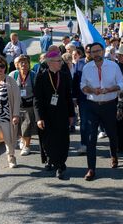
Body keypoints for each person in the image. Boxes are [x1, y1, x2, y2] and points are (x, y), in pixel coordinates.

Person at [80, 42, 123, 181]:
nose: (96, 54)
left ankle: (114, 155)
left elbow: (122, 84)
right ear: (90, 53)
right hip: (92, 106)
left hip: (109, 105)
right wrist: (92, 90)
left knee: (112, 134)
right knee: (90, 138)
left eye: (98, 51)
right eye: (93, 52)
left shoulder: (113, 66)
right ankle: (91, 169)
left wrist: (109, 89)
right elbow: (82, 86)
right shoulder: (87, 67)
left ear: (103, 51)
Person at [33, 51, 75, 179]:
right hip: (47, 115)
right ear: (50, 63)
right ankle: (53, 160)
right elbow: (37, 99)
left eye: (61, 61)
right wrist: (39, 118)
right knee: (49, 142)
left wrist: (71, 114)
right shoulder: (41, 77)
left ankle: (60, 165)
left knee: (63, 140)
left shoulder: (65, 76)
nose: (61, 63)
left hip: (62, 114)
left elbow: (69, 96)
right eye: (58, 61)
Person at [9, 55, 37, 156]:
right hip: (17, 105)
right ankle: (22, 139)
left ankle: (27, 146)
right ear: (17, 65)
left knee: (27, 125)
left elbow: (37, 91)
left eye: (26, 62)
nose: (24, 64)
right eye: (21, 63)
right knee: (19, 125)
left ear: (29, 64)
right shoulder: (13, 75)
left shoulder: (33, 75)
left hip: (29, 105)